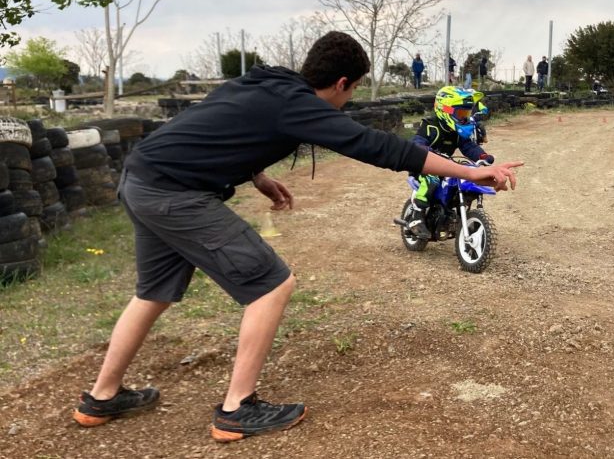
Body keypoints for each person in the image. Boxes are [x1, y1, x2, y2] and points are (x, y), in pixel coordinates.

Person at [71, 31, 522, 442]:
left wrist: (257, 176)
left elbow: (219, 127)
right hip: (175, 192)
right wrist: (470, 170)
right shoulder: (301, 105)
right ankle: (236, 410)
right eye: (354, 91)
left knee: (153, 292)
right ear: (343, 82)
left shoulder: (266, 83)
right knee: (271, 284)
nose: (349, 101)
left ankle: (102, 397)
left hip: (142, 178)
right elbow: (382, 148)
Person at [406, 86, 495, 239]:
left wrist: (482, 156)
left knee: (464, 177)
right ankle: (416, 217)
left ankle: (453, 215)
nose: (464, 118)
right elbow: (417, 142)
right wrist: (424, 149)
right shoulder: (430, 125)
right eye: (460, 113)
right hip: (424, 166)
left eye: (466, 114)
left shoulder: (456, 131)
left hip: (446, 167)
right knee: (431, 180)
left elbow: (468, 146)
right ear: (445, 109)